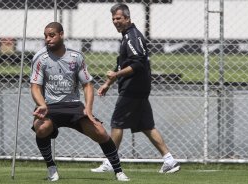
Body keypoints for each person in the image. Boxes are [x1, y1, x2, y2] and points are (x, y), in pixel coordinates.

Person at [30, 22, 129, 182]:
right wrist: (41, 104)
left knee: (100, 132)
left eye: (52, 35)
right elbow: (35, 87)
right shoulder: (40, 58)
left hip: (73, 105)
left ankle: (118, 171)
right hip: (49, 105)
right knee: (41, 128)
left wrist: (88, 109)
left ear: (61, 34)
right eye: (46, 36)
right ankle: (51, 167)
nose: (48, 39)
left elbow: (87, 85)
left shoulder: (76, 57)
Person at [91, 3, 180, 174]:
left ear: (127, 18)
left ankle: (111, 161)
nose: (115, 21)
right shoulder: (126, 36)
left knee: (117, 123)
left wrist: (116, 76)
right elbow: (122, 63)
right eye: (113, 19)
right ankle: (169, 160)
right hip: (139, 88)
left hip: (133, 88)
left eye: (119, 18)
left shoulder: (132, 36)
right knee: (147, 126)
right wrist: (107, 84)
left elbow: (138, 63)